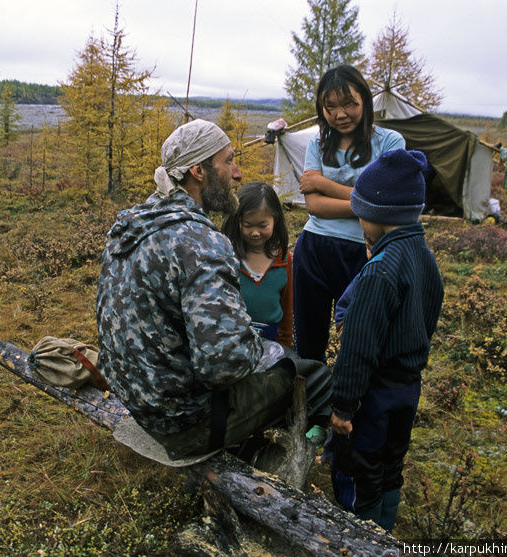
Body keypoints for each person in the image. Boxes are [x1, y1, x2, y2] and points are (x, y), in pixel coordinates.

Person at [96, 120, 332, 460]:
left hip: (138, 402)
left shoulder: (133, 225)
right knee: (309, 372)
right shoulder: (202, 242)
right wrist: (263, 347)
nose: (237, 174)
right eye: (228, 161)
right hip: (183, 425)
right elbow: (224, 365)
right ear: (199, 170)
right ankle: (295, 454)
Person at [326, 149, 444, 532]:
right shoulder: (425, 257)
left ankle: (362, 536)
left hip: (374, 395)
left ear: (378, 215)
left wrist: (343, 408)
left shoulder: (379, 272)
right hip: (409, 387)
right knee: (393, 465)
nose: (359, 220)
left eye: (361, 212)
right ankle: (388, 530)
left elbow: (357, 350)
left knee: (363, 468)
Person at [294, 64, 406, 362]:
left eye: (349, 104)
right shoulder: (318, 144)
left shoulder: (391, 142)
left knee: (361, 335)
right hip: (314, 248)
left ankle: (350, 402)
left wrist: (321, 183)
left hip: (365, 252)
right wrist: (365, 203)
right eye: (330, 107)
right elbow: (314, 206)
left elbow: (385, 205)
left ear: (365, 101)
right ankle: (312, 400)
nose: (340, 114)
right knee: (309, 339)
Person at [221, 181, 293, 347]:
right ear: (237, 221)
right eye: (247, 225)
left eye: (263, 225)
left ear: (275, 219)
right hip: (235, 342)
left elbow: (287, 309)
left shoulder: (284, 260)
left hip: (272, 342)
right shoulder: (228, 258)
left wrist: (285, 345)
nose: (254, 232)